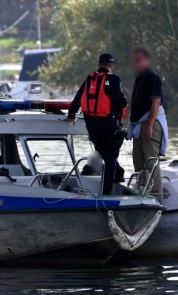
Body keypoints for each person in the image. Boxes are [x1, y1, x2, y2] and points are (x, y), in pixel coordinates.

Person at [68, 53, 127, 195]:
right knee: (111, 157)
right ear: (111, 66)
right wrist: (124, 103)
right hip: (107, 124)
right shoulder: (113, 79)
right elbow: (121, 101)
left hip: (91, 126)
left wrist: (71, 115)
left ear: (99, 64)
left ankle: (119, 173)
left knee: (105, 153)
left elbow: (77, 98)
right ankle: (107, 193)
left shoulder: (89, 79)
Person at [127, 46, 169, 200]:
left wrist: (150, 125)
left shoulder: (152, 78)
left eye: (139, 61)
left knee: (151, 162)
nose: (136, 64)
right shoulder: (139, 79)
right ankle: (142, 194)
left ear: (146, 61)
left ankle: (156, 198)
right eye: (135, 61)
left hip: (150, 123)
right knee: (138, 162)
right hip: (139, 125)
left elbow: (156, 101)